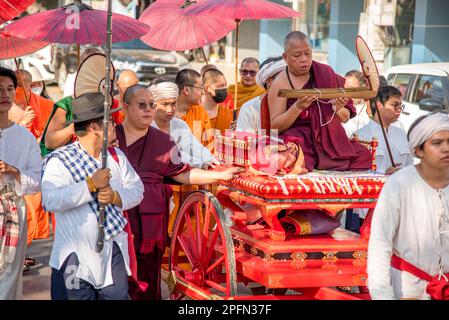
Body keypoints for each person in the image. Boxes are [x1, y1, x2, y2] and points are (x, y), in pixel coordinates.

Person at [115, 84, 242, 300]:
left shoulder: (163, 141)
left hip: (151, 221)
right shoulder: (112, 137)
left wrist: (219, 176)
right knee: (117, 280)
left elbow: (182, 173)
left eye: (151, 105)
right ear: (125, 107)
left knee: (147, 279)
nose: (148, 110)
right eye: (142, 105)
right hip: (118, 220)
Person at [41, 92, 144, 300]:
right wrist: (89, 186)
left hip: (111, 251)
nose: (116, 126)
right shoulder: (59, 160)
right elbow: (51, 200)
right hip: (74, 255)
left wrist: (115, 197)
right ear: (94, 128)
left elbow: (137, 189)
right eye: (110, 121)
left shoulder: (117, 156)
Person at [367, 112, 449, 300]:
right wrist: (382, 294)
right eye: (437, 143)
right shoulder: (399, 184)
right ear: (418, 150)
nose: (446, 148)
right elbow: (380, 242)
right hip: (407, 288)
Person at [268, 31, 372, 172]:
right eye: (297, 55)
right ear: (285, 57)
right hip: (300, 138)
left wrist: (338, 108)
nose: (304, 59)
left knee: (364, 156)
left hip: (329, 140)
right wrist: (297, 107)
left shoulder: (325, 72)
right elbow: (275, 126)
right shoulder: (280, 83)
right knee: (288, 158)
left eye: (307, 53)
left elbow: (345, 118)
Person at [347, 86, 414, 232]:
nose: (399, 110)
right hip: (369, 206)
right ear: (379, 104)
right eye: (394, 105)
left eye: (400, 106)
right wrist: (383, 172)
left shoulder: (402, 134)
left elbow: (410, 165)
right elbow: (353, 174)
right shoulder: (360, 136)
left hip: (398, 201)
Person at [0, 67, 42, 299]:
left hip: (13, 210)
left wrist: (15, 172)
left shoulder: (25, 137)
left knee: (9, 274)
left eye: (9, 89)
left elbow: (37, 180)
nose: (5, 95)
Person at [236, 56, 286, 133]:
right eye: (284, 77)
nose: (248, 75)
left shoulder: (296, 105)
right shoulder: (249, 108)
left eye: (252, 73)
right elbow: (243, 141)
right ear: (270, 81)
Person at [11, 69, 54, 140]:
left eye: (19, 84)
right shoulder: (4, 106)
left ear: (29, 86)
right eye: (12, 84)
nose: (14, 87)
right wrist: (23, 124)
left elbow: (54, 129)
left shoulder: (47, 104)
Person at [175, 69, 212, 147]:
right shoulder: (166, 112)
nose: (203, 92)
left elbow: (209, 144)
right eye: (200, 88)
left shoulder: (200, 112)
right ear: (186, 90)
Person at [202, 68, 233, 135]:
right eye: (220, 86)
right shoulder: (194, 113)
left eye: (225, 85)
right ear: (207, 88)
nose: (224, 89)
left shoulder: (231, 115)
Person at [342, 70, 371, 138]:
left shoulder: (370, 108)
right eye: (344, 89)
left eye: (350, 89)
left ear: (362, 88)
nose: (346, 93)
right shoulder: (340, 106)